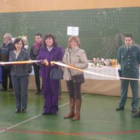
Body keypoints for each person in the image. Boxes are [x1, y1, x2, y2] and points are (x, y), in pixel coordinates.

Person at [63, 36, 88, 121]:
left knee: (77, 95)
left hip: (76, 76)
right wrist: (59, 64)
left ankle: (77, 113)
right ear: (69, 43)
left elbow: (85, 64)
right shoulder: (66, 52)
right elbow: (64, 63)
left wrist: (75, 65)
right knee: (70, 94)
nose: (73, 43)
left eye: (75, 42)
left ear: (78, 43)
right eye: (71, 42)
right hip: (68, 76)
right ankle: (71, 112)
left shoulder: (81, 52)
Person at [37, 34, 64, 115]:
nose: (48, 41)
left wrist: (56, 63)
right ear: (44, 41)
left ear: (53, 40)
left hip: (54, 74)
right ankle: (47, 109)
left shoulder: (58, 49)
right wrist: (42, 61)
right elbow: (39, 59)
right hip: (45, 73)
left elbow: (62, 60)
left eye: (50, 39)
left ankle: (54, 109)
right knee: (46, 91)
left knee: (54, 91)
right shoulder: (42, 49)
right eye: (47, 39)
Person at [116, 34, 140, 113]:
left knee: (135, 91)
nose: (127, 42)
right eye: (126, 40)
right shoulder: (121, 49)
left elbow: (139, 60)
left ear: (131, 40)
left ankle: (134, 107)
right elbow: (119, 60)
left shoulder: (137, 49)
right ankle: (121, 105)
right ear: (124, 41)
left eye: (129, 40)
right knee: (123, 90)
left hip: (134, 73)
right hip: (124, 73)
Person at [9, 38, 31, 113]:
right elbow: (10, 63)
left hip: (23, 75)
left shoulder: (26, 53)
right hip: (14, 75)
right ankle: (18, 107)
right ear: (14, 44)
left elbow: (29, 64)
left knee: (24, 92)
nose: (19, 45)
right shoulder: (11, 53)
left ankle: (24, 108)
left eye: (20, 44)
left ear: (22, 45)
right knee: (16, 92)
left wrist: (29, 67)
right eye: (17, 44)